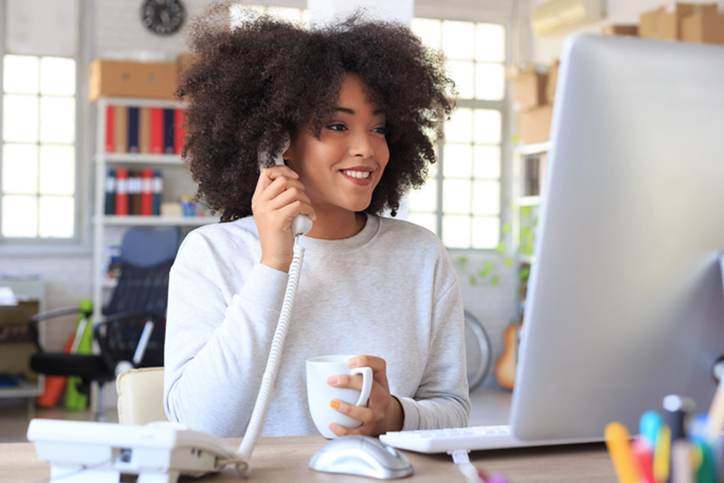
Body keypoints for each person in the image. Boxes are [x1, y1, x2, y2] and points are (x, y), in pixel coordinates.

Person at [164, 2, 471, 438]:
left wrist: (396, 416)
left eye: (380, 128)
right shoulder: (212, 255)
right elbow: (198, 424)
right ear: (277, 141)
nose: (367, 148)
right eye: (337, 126)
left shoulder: (420, 255)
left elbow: (454, 410)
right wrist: (273, 264)